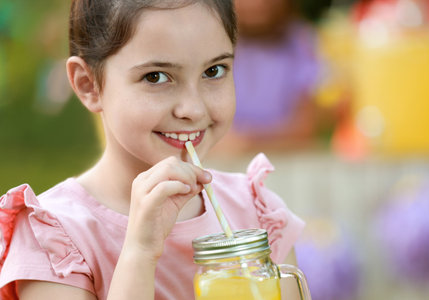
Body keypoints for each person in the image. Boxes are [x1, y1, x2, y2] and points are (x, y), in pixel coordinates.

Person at [0, 1, 305, 300]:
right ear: (88, 84)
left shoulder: (256, 214)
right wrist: (139, 253)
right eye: (156, 77)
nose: (193, 108)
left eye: (214, 71)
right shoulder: (55, 239)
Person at [210, 0, 323, 156]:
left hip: (283, 164)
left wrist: (248, 143)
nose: (257, 4)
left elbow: (305, 129)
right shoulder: (207, 40)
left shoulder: (301, 41)